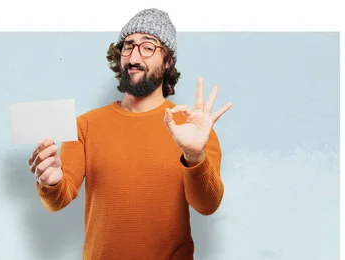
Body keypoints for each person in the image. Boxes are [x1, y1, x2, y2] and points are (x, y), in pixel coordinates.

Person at [27, 8, 233, 260]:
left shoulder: (194, 129)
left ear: (167, 61)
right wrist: (52, 181)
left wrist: (194, 156)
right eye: (128, 46)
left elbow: (207, 205)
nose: (134, 56)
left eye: (148, 47)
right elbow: (57, 200)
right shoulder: (85, 125)